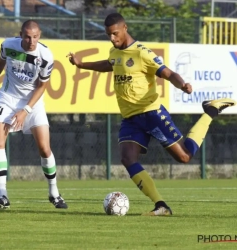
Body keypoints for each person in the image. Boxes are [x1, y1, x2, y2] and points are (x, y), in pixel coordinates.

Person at [67, 13, 236, 216]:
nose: (112, 38)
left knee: (184, 157)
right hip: (131, 119)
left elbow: (168, 73)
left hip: (151, 114)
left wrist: (182, 85)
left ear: (125, 28)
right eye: (108, 35)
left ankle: (210, 111)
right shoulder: (115, 51)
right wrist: (81, 64)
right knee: (127, 158)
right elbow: (109, 64)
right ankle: (161, 205)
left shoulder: (142, 53)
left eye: (115, 34)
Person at [0, 20, 67, 210]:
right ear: (21, 34)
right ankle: (2, 194)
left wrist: (26, 111)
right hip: (7, 98)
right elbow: (0, 62)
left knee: (45, 149)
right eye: (27, 36)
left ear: (40, 36)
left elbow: (42, 86)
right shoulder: (8, 45)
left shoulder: (45, 56)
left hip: (33, 103)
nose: (31, 41)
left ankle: (54, 192)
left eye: (35, 37)